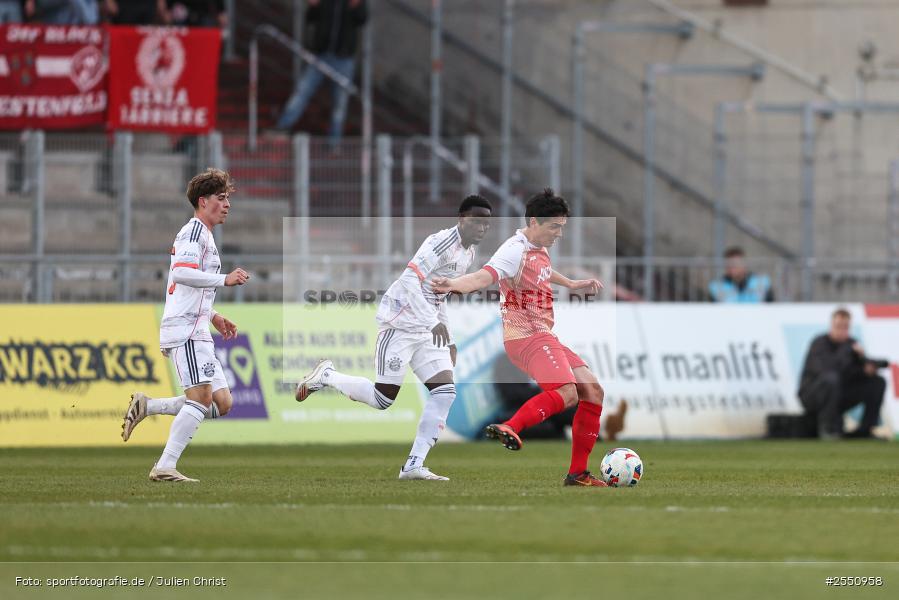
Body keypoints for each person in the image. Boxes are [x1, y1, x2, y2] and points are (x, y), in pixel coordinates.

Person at [295, 195, 492, 481]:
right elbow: (410, 278)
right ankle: (327, 375)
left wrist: (447, 336)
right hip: (400, 323)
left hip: (427, 329)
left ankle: (413, 465)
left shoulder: (468, 253)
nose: (482, 228)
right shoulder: (441, 243)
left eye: (487, 223)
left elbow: (440, 295)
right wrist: (433, 322)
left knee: (445, 392)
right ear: (461, 219)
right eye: (476, 221)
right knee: (382, 399)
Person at [433, 189, 608, 487]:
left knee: (592, 390)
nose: (559, 233)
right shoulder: (513, 250)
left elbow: (543, 271)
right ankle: (510, 426)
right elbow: (483, 276)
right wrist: (452, 284)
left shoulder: (538, 247)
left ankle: (578, 474)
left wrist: (571, 283)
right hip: (526, 336)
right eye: (554, 227)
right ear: (534, 221)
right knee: (568, 393)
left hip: (543, 334)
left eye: (562, 227)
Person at [121, 168, 250, 482]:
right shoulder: (193, 232)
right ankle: (165, 466)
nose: (227, 205)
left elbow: (190, 287)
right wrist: (225, 279)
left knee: (221, 402)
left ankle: (148, 406)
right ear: (203, 201)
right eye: (221, 198)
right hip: (186, 329)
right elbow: (181, 273)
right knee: (201, 399)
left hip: (198, 325)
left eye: (228, 199)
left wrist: (213, 315)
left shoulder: (203, 235)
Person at [274, 0, 368, 144]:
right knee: (302, 90)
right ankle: (282, 127)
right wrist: (314, 6)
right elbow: (311, 18)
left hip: (343, 57)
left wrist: (355, 6)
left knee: (340, 103)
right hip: (321, 54)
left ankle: (334, 142)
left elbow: (362, 19)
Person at [798, 308, 885, 440]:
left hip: (838, 396)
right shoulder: (819, 343)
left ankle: (865, 430)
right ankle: (828, 428)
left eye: (845, 327)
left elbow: (852, 373)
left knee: (877, 382)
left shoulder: (851, 344)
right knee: (832, 379)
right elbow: (827, 370)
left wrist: (865, 366)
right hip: (812, 396)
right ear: (831, 325)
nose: (842, 330)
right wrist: (847, 349)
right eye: (838, 326)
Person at [708, 246, 774, 303]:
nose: (733, 267)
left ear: (744, 264)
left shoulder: (761, 283)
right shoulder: (716, 287)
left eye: (736, 263)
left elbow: (771, 306)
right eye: (729, 264)